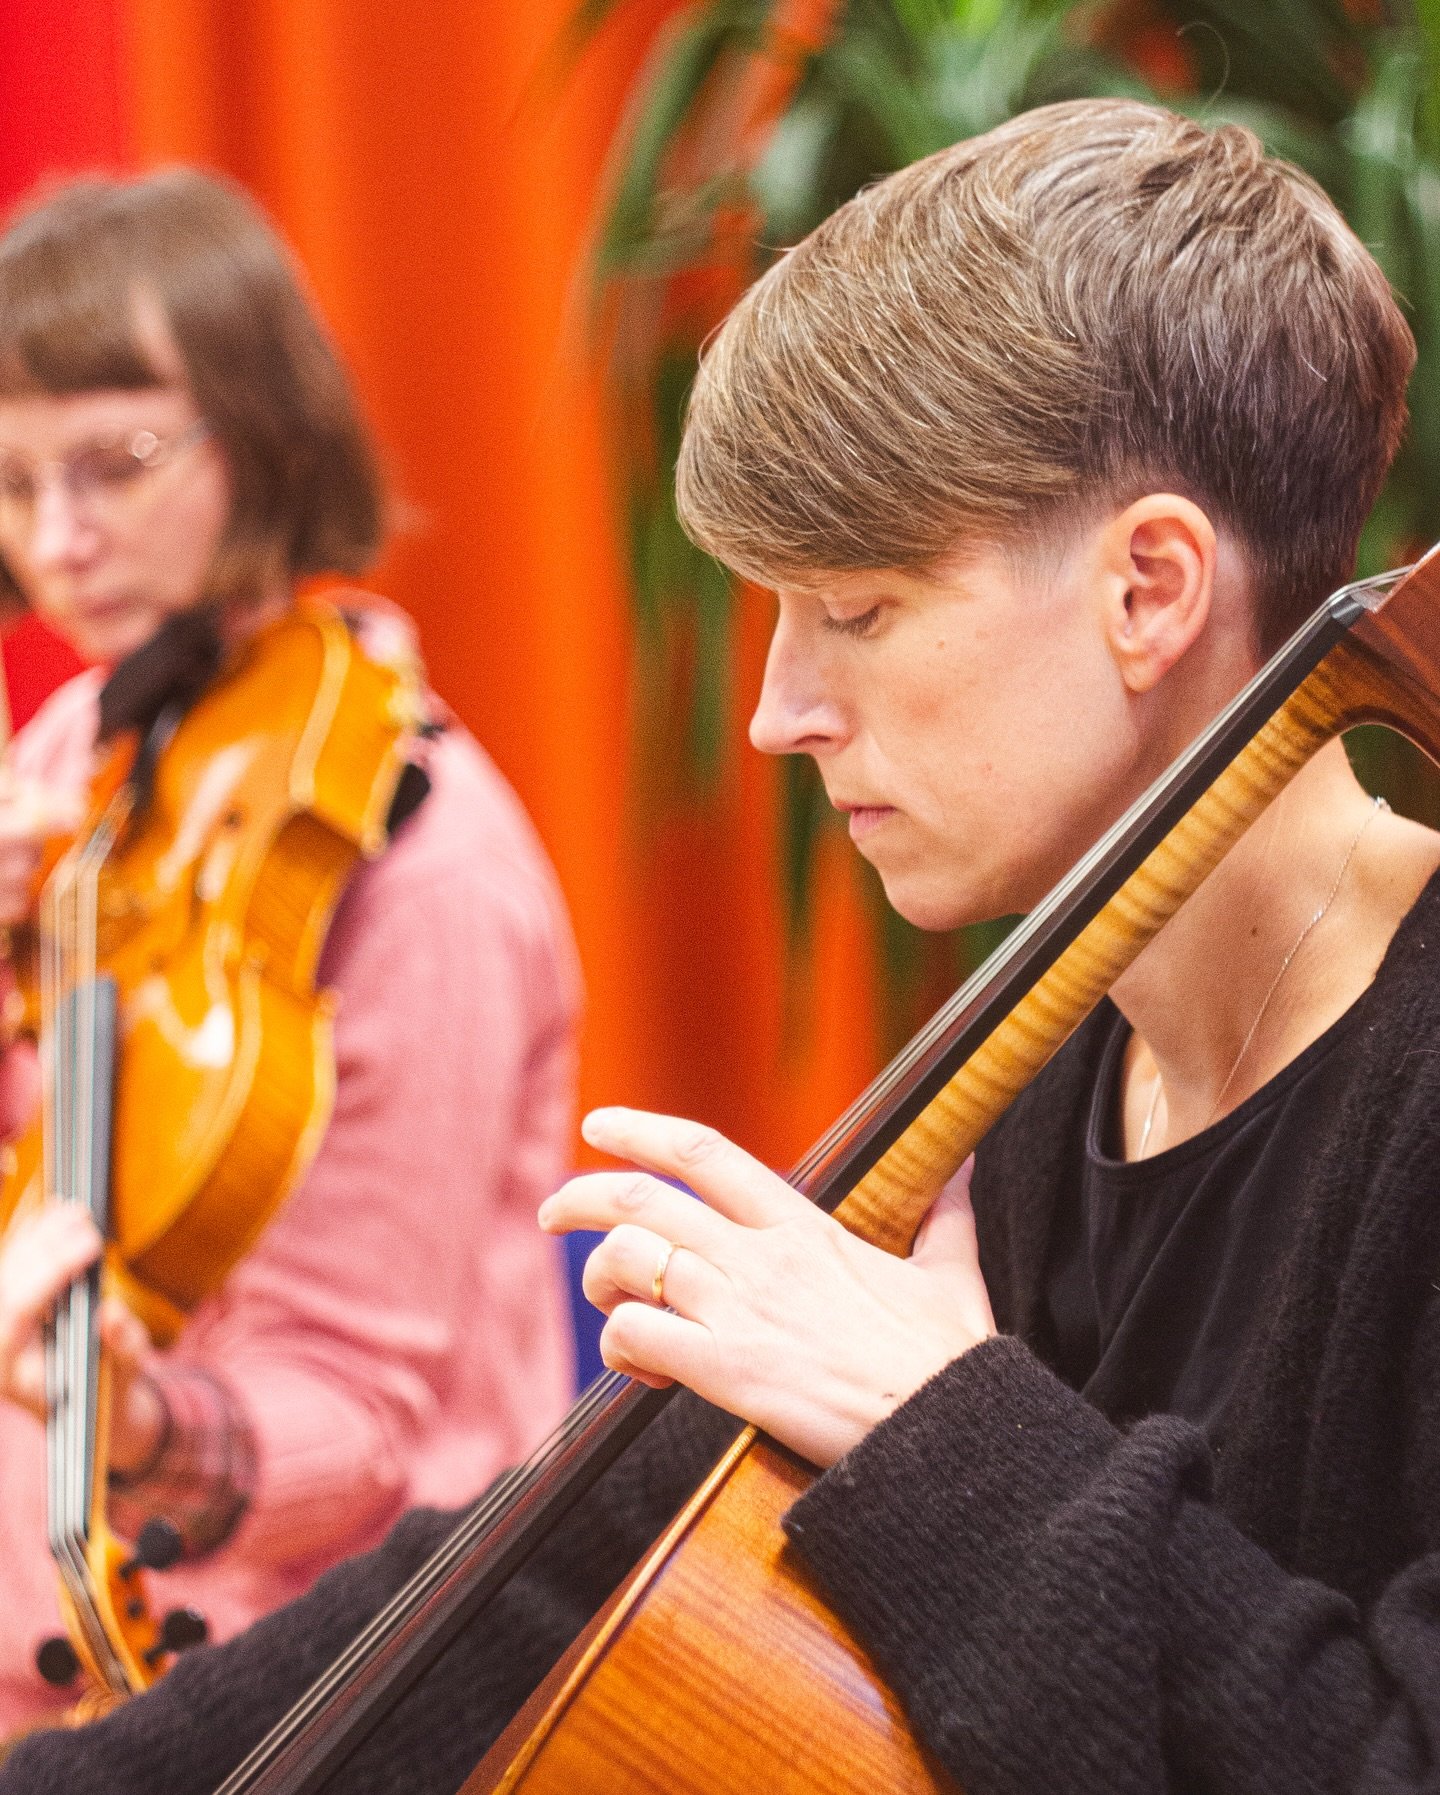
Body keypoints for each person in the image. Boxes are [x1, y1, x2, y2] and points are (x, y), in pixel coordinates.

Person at [6, 97, 1440, 1794]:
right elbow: (560, 1560)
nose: (777, 711)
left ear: (1149, 589)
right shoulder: (1058, 1064)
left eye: (856, 609)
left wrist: (940, 1424)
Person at [0, 170, 579, 1736]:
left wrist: (138, 1434)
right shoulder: (75, 757)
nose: (56, 541)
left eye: (116, 465)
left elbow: (363, 1434)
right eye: (12, 483)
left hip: (328, 1687)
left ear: (261, 433)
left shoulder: (422, 869)